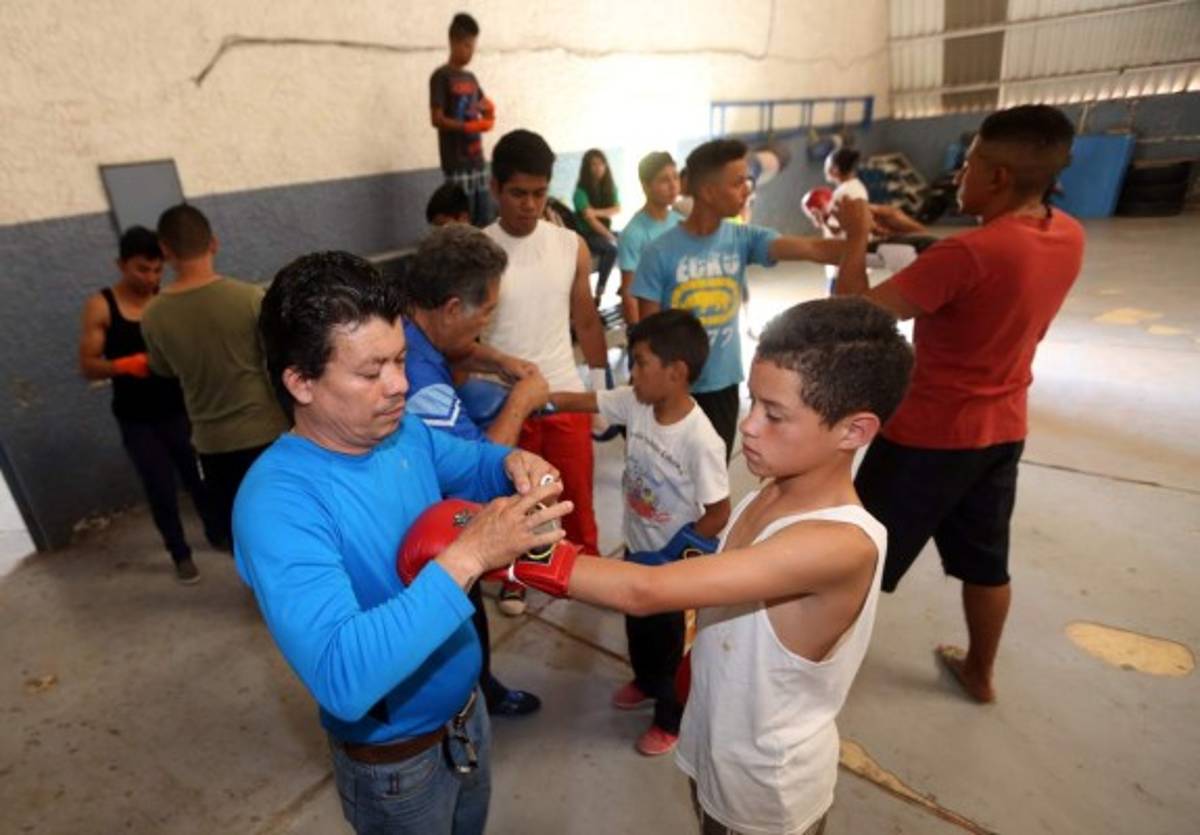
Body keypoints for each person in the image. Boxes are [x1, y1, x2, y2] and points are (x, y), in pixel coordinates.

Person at [505, 298, 913, 834]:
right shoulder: (773, 490)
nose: (747, 426)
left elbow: (643, 592)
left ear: (853, 431)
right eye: (752, 402)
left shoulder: (839, 546)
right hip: (716, 741)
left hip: (763, 790)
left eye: (774, 414)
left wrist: (507, 553)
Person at [234, 250, 571, 835]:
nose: (399, 385)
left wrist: (513, 462)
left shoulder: (399, 430)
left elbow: (471, 463)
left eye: (400, 360)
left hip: (467, 716)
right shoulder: (277, 504)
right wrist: (469, 556)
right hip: (396, 766)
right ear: (301, 381)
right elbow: (343, 676)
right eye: (371, 372)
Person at [833, 104, 1084, 704]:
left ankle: (815, 674)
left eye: (969, 164)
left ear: (996, 178)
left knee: (854, 559)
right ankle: (980, 672)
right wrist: (916, 234)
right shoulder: (1067, 233)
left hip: (927, 436)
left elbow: (854, 310)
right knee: (986, 562)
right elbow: (989, 257)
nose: (960, 175)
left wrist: (858, 234)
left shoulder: (968, 256)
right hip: (1001, 431)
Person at [550, 309, 729, 756]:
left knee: (671, 647)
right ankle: (645, 682)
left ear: (676, 372)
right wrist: (541, 394)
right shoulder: (637, 402)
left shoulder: (700, 439)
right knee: (639, 629)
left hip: (670, 567)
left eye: (640, 362)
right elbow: (588, 403)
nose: (632, 372)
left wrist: (672, 556)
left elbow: (718, 512)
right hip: (638, 547)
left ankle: (670, 719)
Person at [401, 223, 550, 715]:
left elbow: (456, 342)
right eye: (485, 311)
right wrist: (523, 403)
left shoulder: (406, 323)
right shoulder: (423, 384)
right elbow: (474, 466)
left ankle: (479, 684)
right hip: (426, 533)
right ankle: (471, 697)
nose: (485, 324)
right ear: (450, 308)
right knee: (459, 618)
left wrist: (497, 359)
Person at [632, 138, 844, 460]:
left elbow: (812, 249)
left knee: (713, 475)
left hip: (722, 384)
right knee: (669, 479)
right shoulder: (659, 252)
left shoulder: (743, 239)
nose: (746, 189)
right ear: (707, 192)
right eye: (736, 182)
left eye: (747, 180)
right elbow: (648, 335)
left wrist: (863, 244)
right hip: (674, 388)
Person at [482, 128, 610, 613]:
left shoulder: (570, 245)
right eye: (518, 193)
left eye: (539, 193)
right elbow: (465, 337)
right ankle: (516, 575)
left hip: (564, 394)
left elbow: (586, 318)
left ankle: (590, 571)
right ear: (495, 189)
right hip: (503, 401)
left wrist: (600, 391)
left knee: (574, 495)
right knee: (514, 502)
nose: (530, 205)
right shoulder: (480, 252)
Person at [140, 204, 288, 548]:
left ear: (165, 251)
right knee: (283, 524)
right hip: (266, 432)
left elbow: (161, 370)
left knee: (240, 535)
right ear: (214, 243)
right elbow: (278, 359)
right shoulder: (250, 299)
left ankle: (256, 590)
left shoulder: (154, 315)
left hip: (212, 443)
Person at [77, 226, 218, 584]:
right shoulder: (101, 306)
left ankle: (217, 534)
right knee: (160, 488)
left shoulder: (166, 301)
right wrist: (122, 365)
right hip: (137, 419)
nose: (151, 277)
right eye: (142, 269)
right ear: (121, 265)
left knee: (198, 480)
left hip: (179, 410)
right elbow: (87, 364)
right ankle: (180, 554)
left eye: (157, 270)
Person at [429, 13, 495, 227]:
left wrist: (489, 112)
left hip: (477, 160)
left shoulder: (471, 78)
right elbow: (436, 118)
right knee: (463, 222)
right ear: (453, 41)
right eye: (467, 46)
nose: (470, 52)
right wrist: (466, 126)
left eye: (473, 47)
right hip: (456, 164)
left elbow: (483, 105)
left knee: (484, 218)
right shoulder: (441, 76)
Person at [616, 152, 682, 327]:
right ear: (645, 186)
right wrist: (639, 336)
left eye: (675, 177)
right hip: (656, 325)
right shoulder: (633, 233)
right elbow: (629, 294)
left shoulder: (680, 222)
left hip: (682, 320)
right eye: (664, 180)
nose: (673, 185)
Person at [817, 148, 871, 294]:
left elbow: (837, 230)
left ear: (834, 169)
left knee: (836, 306)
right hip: (857, 254)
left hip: (842, 258)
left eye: (827, 164)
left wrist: (821, 219)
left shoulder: (841, 193)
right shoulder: (858, 186)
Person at [573, 149, 622, 305]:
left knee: (630, 240)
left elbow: (617, 209)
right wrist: (610, 236)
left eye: (601, 163)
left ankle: (626, 286)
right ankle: (600, 291)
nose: (598, 167)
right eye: (593, 164)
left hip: (602, 231)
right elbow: (590, 221)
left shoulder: (609, 187)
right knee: (612, 249)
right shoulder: (580, 192)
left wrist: (595, 212)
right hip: (586, 234)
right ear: (586, 168)